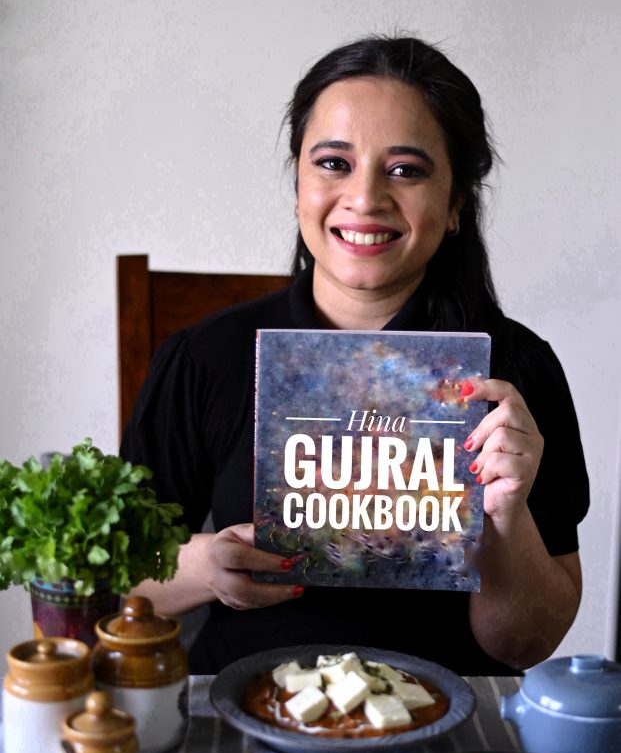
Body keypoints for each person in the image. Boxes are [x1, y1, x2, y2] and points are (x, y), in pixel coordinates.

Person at [120, 35, 589, 675]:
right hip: (247, 714)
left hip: (448, 727)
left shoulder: (517, 372)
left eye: (406, 169)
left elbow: (524, 645)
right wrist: (201, 568)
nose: (365, 198)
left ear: (455, 204)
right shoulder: (204, 359)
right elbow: (116, 587)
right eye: (334, 163)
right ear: (298, 184)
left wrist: (504, 514)